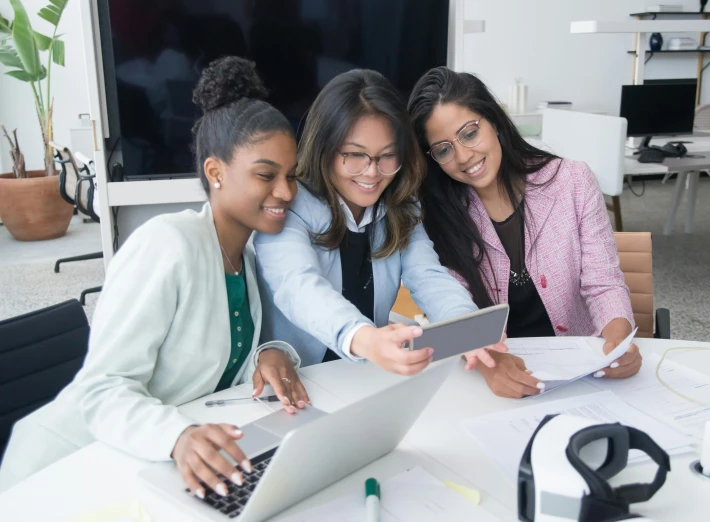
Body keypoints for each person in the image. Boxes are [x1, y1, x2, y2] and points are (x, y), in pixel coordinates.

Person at [0, 57, 308, 499]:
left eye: (291, 176)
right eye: (266, 175)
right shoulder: (167, 244)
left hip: (151, 469)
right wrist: (177, 438)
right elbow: (102, 388)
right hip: (65, 471)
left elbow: (216, 355)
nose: (286, 191)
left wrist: (270, 352)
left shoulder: (248, 258)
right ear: (215, 172)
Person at [407, 67, 640, 399]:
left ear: (495, 121)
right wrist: (491, 364)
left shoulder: (572, 181)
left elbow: (604, 283)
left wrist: (618, 342)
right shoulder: (437, 215)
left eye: (470, 133)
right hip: (494, 378)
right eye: (443, 149)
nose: (463, 156)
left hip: (583, 370)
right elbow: (452, 307)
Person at [254, 69, 505, 373]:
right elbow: (299, 286)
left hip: (364, 378)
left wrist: (468, 325)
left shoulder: (402, 206)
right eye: (355, 155)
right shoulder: (287, 203)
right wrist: (365, 338)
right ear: (325, 149)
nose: (372, 173)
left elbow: (428, 276)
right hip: (297, 380)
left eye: (387, 155)